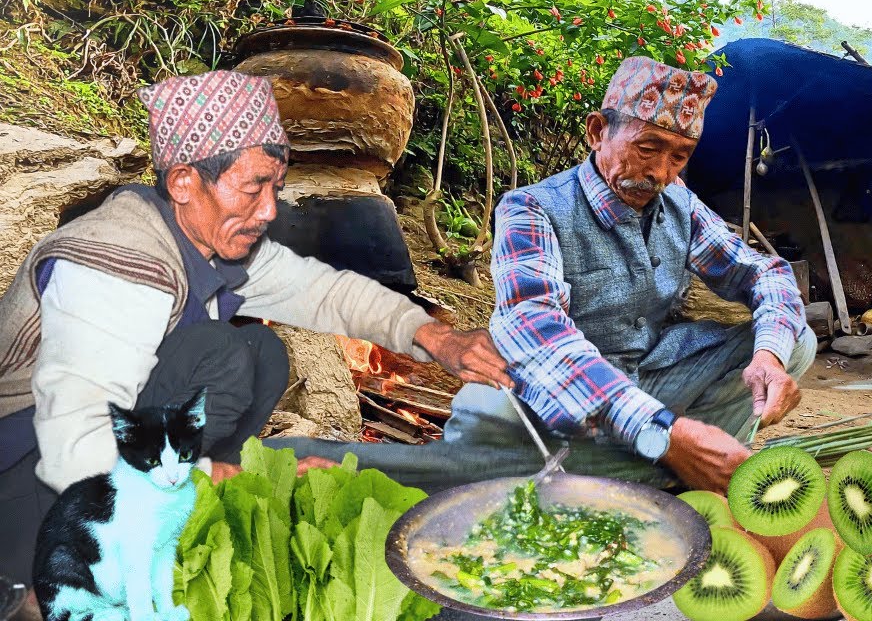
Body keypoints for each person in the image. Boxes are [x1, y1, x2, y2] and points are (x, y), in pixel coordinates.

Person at [0, 70, 510, 587]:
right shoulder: (117, 264)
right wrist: (239, 483)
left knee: (257, 352)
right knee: (222, 350)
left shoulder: (205, 238)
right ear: (183, 181)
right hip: (31, 473)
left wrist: (436, 337)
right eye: (252, 188)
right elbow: (76, 450)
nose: (269, 210)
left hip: (105, 439)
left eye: (276, 187)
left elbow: (325, 291)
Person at [276, 57, 815, 494]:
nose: (660, 172)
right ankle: (658, 469)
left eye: (679, 157)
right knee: (506, 460)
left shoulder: (677, 202)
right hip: (538, 401)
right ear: (598, 131)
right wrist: (666, 433)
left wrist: (766, 355)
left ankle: (646, 465)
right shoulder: (531, 209)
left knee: (792, 339)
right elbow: (538, 333)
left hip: (641, 381)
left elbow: (763, 272)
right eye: (647, 148)